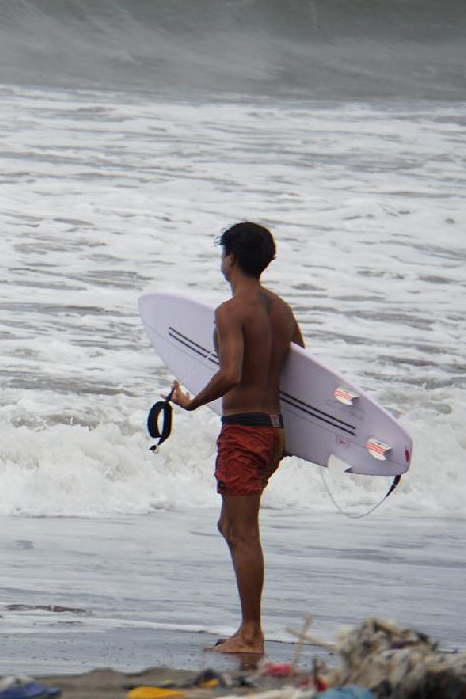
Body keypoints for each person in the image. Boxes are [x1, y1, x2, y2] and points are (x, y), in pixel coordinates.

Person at [166, 221, 303, 656]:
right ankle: (249, 630)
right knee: (229, 525)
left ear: (231, 258)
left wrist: (190, 403)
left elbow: (231, 373)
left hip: (245, 429)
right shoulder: (281, 310)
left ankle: (250, 634)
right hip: (272, 431)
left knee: (243, 532)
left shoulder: (230, 311)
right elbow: (303, 369)